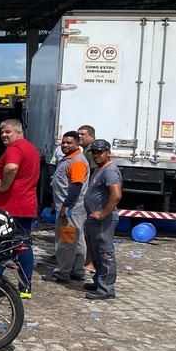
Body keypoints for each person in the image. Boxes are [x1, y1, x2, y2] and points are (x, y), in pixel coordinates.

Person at [0, 119, 39, 298]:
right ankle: (25, 287)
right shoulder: (31, 148)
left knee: (0, 244)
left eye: (8, 132)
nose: (4, 135)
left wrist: (3, 187)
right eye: (2, 132)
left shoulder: (15, 148)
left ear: (18, 133)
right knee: (22, 243)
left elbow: (11, 167)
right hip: (24, 204)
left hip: (10, 205)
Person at [42, 131, 89, 283]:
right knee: (78, 240)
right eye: (63, 142)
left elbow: (76, 186)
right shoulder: (68, 159)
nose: (65, 145)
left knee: (66, 241)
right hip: (69, 207)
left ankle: (62, 272)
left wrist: (65, 206)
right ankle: (78, 270)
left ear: (77, 144)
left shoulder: (76, 161)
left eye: (69, 143)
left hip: (71, 209)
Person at [83, 139, 122, 300]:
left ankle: (106, 288)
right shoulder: (100, 169)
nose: (97, 155)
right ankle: (99, 281)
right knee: (96, 252)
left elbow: (116, 194)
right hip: (94, 219)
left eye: (100, 152)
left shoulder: (110, 170)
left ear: (108, 152)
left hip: (103, 221)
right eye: (94, 152)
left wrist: (103, 214)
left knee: (105, 253)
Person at [76, 124, 99, 274]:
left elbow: (93, 174)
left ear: (91, 136)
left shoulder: (90, 152)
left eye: (83, 134)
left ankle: (90, 263)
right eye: (78, 134)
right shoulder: (85, 150)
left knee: (89, 231)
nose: (80, 137)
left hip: (92, 197)